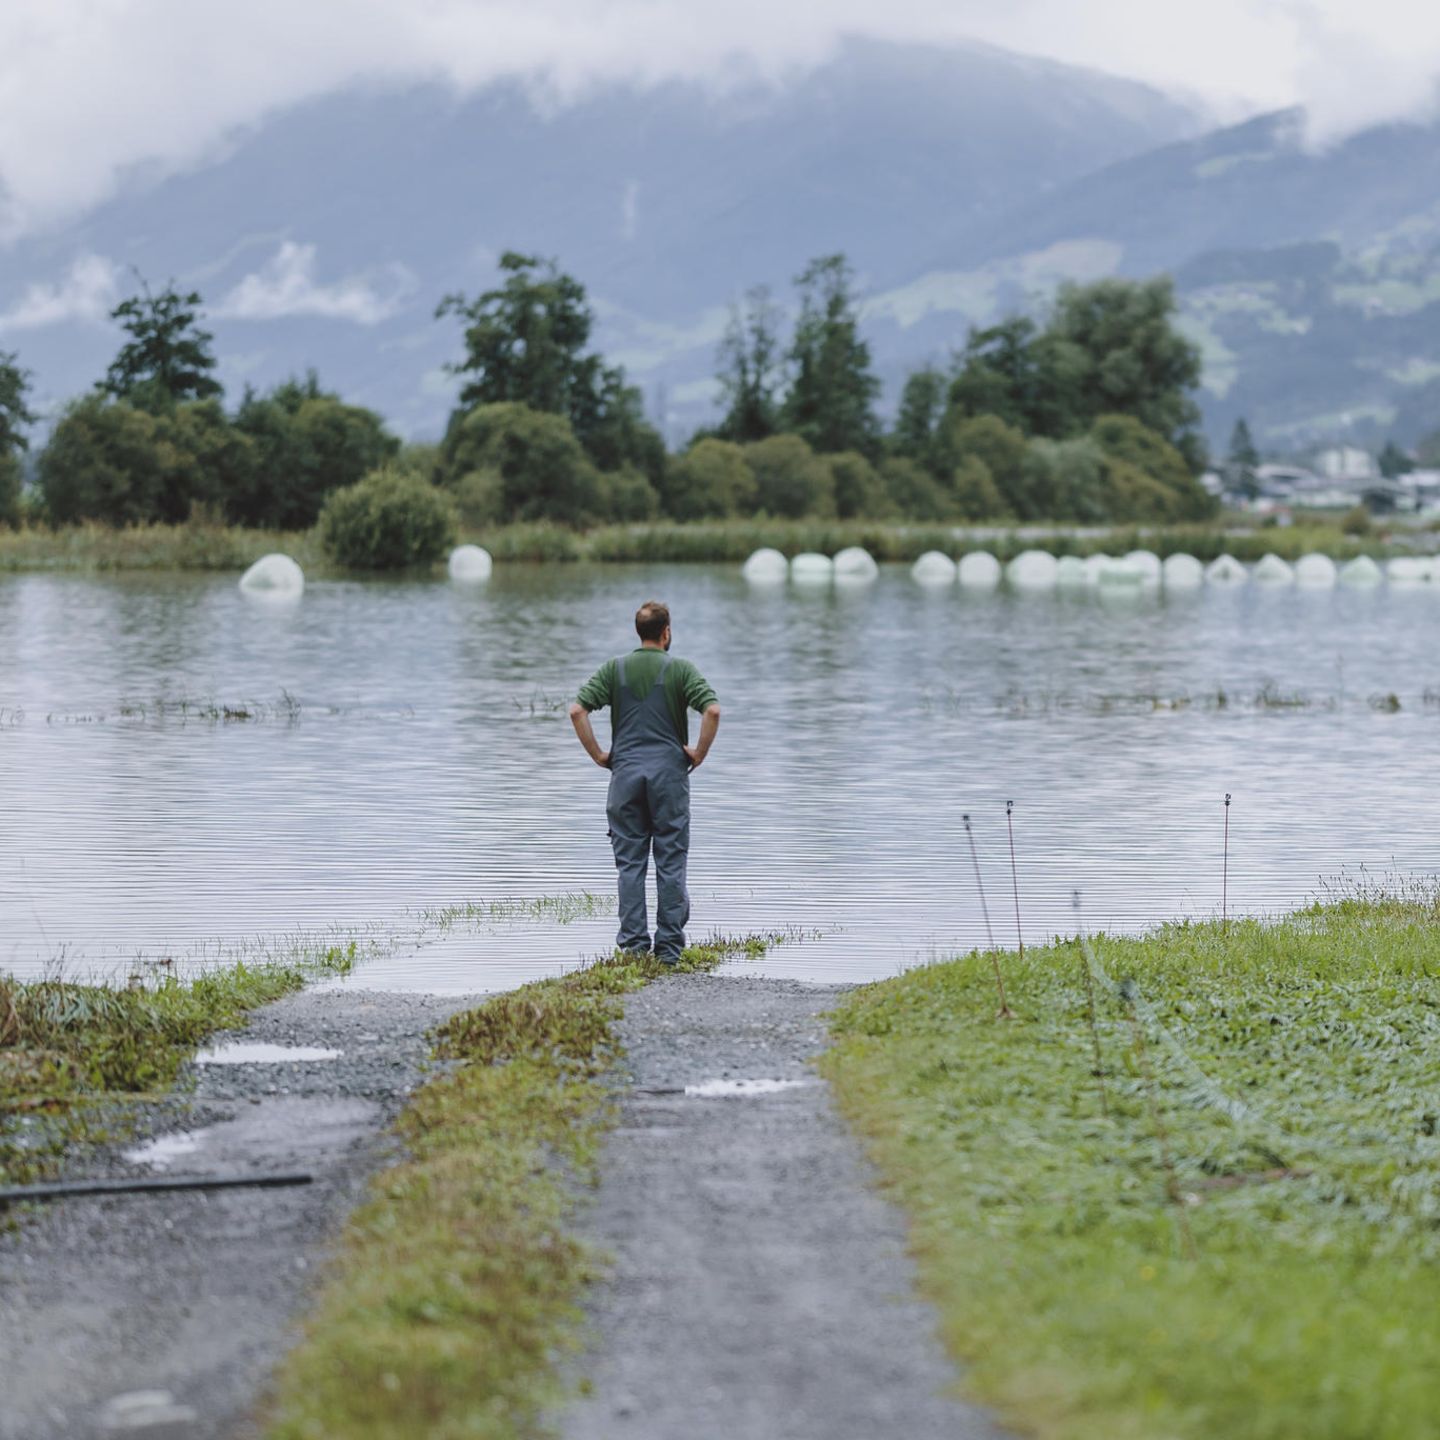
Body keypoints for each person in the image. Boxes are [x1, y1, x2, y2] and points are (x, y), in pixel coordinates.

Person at [569, 601, 721, 964]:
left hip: (625, 779)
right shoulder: (681, 669)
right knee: (670, 861)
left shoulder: (614, 669)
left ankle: (635, 948)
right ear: (666, 632)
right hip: (669, 778)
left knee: (630, 865)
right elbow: (712, 710)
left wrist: (599, 755)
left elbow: (577, 711)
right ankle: (669, 950)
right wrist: (698, 753)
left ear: (639, 631)